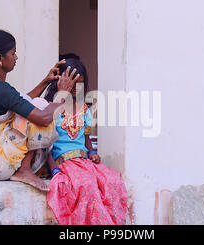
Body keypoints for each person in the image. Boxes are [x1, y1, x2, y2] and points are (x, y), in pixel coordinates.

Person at [0, 30, 80, 191]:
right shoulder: (0, 88)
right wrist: (62, 94)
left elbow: (21, 102)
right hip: (0, 162)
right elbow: (44, 118)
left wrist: (45, 81)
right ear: (0, 58)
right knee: (40, 106)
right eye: (13, 53)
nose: (16, 58)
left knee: (33, 106)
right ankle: (25, 169)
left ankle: (25, 168)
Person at [44, 56, 128, 225]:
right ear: (61, 81)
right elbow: (45, 145)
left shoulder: (84, 109)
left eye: (79, 84)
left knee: (112, 180)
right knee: (86, 184)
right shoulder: (50, 107)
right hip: (64, 163)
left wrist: (92, 152)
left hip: (84, 161)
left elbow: (87, 138)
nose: (75, 89)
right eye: (72, 83)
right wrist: (53, 171)